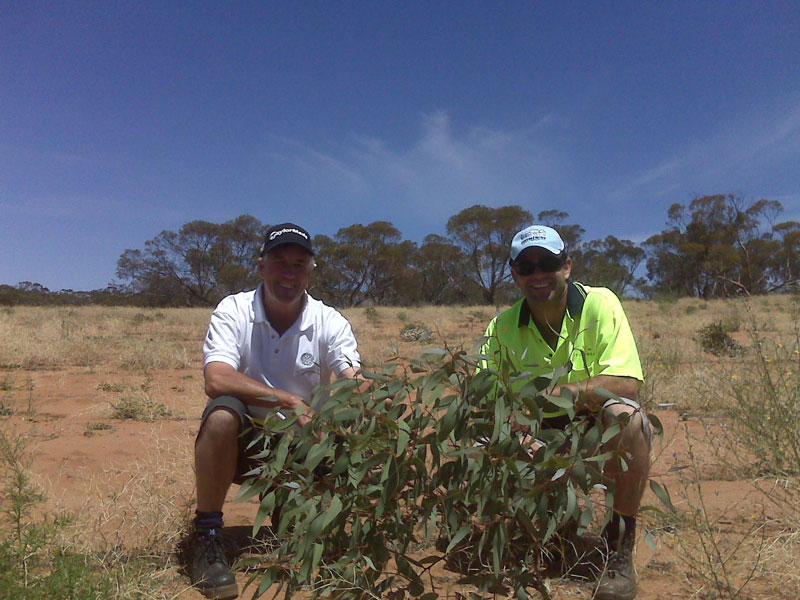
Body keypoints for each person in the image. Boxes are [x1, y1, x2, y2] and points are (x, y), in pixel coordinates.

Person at [190, 223, 363, 599]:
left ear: (310, 272)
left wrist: (372, 396)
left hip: (302, 449)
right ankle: (207, 535)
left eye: (299, 264)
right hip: (244, 446)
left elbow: (352, 375)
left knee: (299, 538)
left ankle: (292, 512)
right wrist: (288, 399)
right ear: (261, 266)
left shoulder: (329, 321)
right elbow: (216, 379)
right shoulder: (234, 310)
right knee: (221, 414)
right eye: (279, 261)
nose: (289, 273)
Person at [480, 225, 652, 600]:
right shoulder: (501, 328)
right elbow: (484, 399)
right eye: (526, 267)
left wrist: (550, 397)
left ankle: (619, 547)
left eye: (548, 264)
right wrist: (512, 433)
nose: (538, 275)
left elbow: (626, 384)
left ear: (567, 267)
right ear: (515, 275)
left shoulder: (599, 303)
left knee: (626, 416)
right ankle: (557, 528)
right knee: (483, 440)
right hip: (542, 438)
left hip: (596, 432)